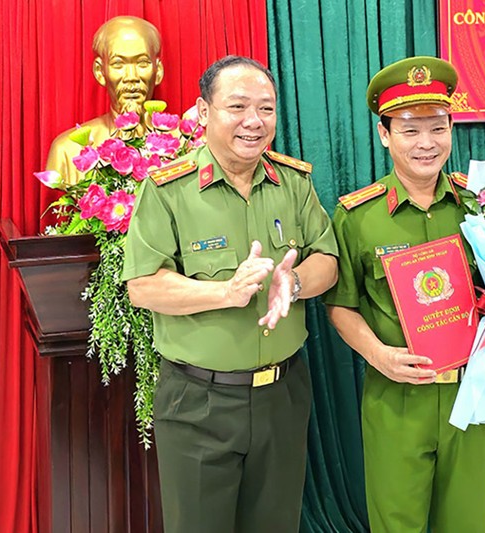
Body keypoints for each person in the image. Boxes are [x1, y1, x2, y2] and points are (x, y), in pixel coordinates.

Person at [324, 56, 485, 533]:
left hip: (474, 393)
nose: (426, 143)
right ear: (383, 135)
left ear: (453, 129)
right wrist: (378, 355)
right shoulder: (356, 215)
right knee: (396, 525)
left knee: (469, 523)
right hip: (396, 399)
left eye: (438, 127)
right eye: (410, 130)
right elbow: (340, 305)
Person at [122, 55, 338, 533]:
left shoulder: (294, 183)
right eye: (237, 106)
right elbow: (143, 286)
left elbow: (328, 260)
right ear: (203, 113)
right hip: (199, 400)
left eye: (266, 108)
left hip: (282, 396)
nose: (253, 121)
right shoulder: (167, 190)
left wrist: (295, 281)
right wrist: (225, 292)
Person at [46, 16, 164, 184]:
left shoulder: (183, 144)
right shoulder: (68, 150)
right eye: (118, 64)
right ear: (100, 72)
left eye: (142, 63)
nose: (131, 77)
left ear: (158, 71)